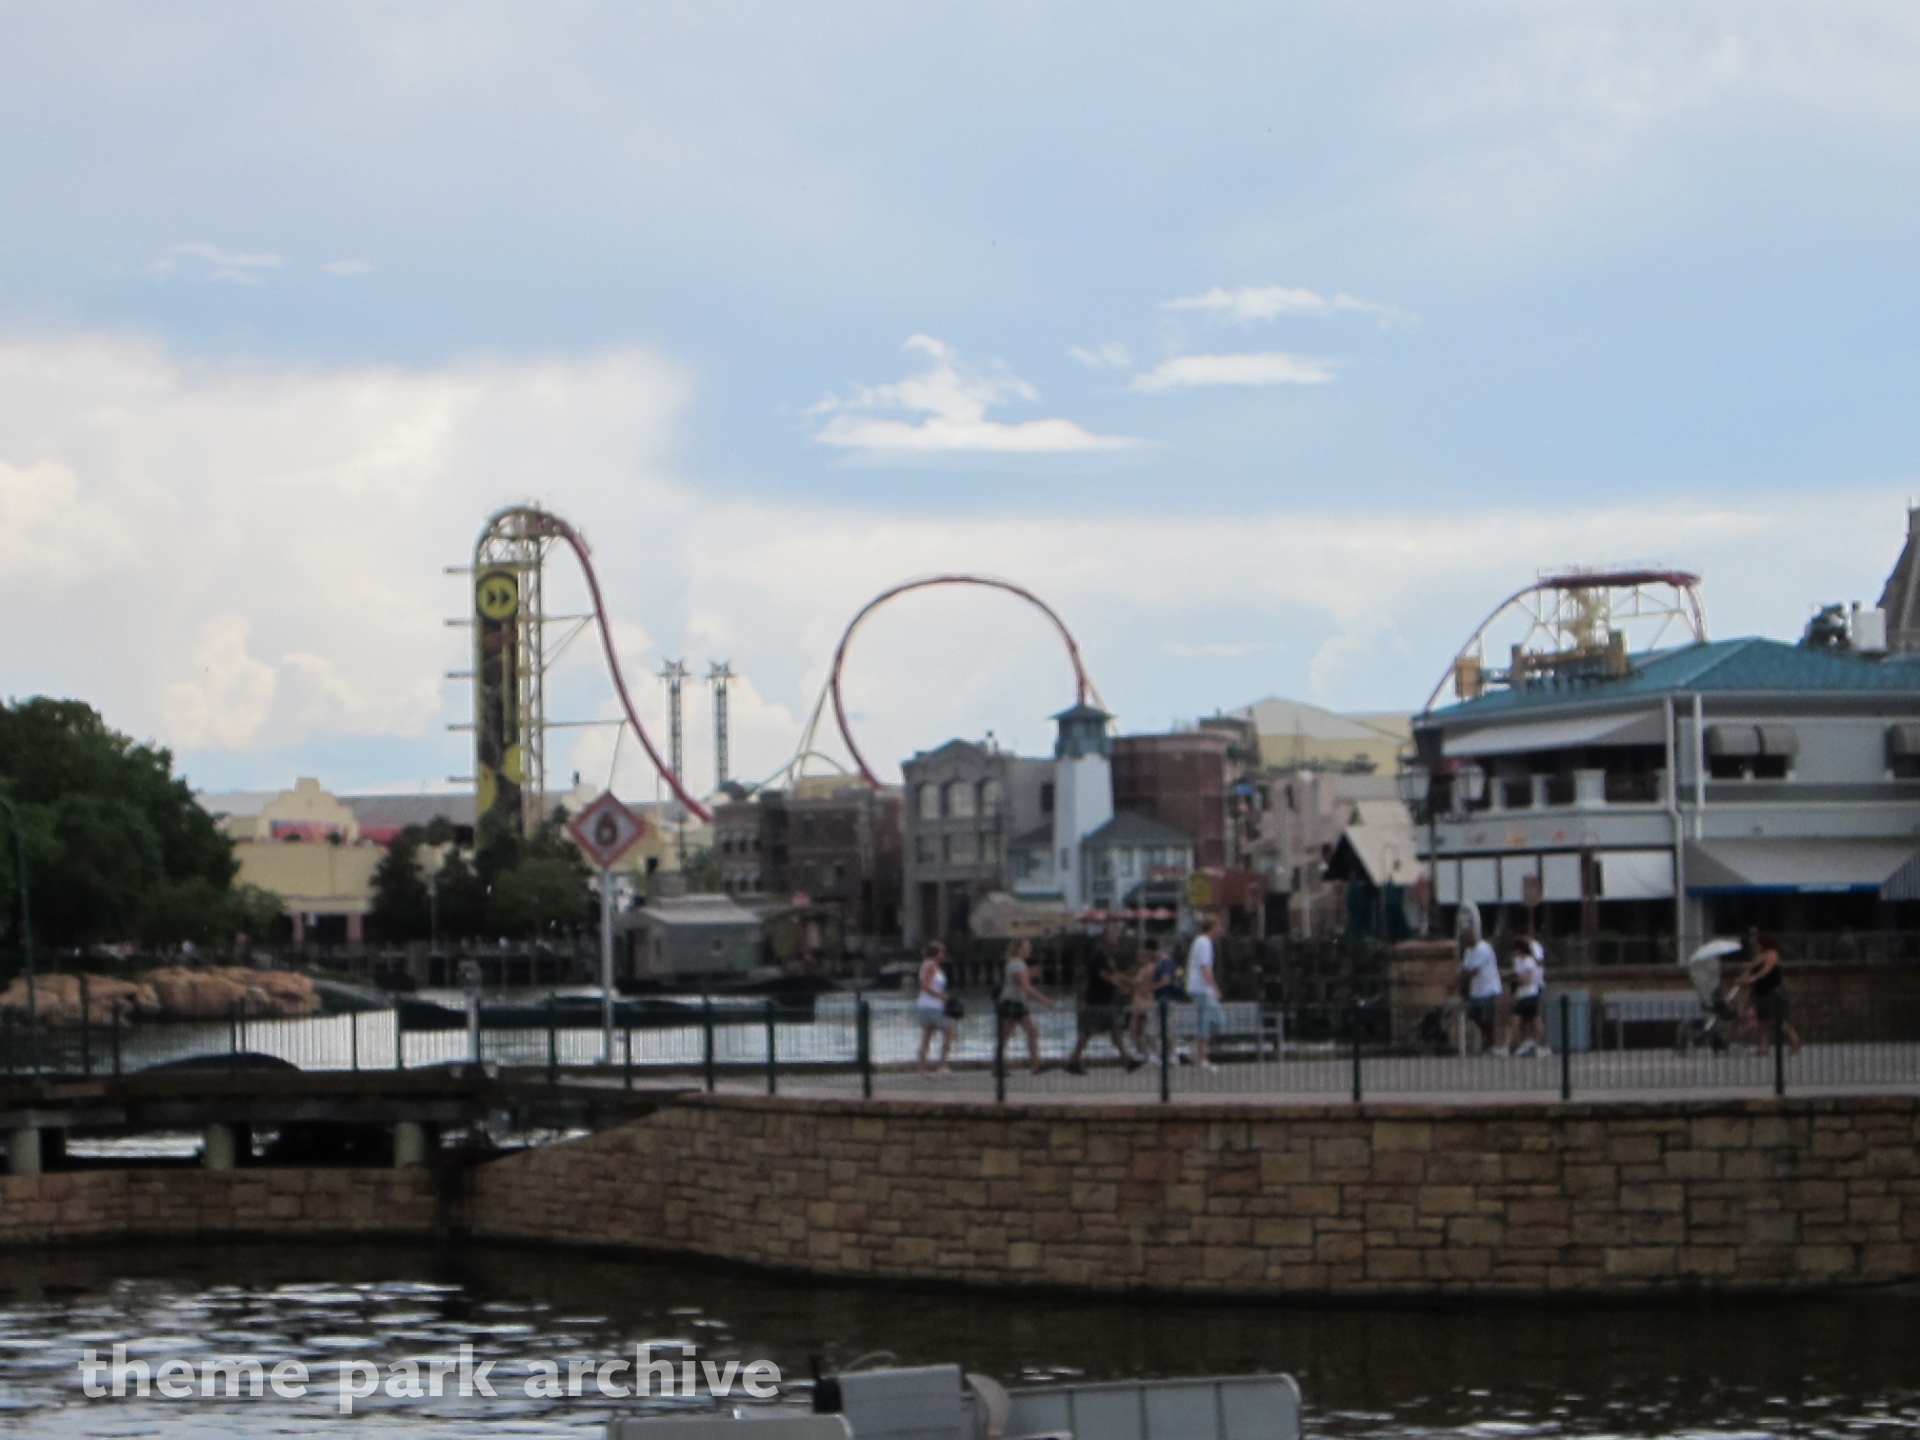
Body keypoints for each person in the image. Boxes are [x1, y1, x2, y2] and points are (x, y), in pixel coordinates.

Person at [1066, 935, 1142, 1074]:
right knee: (1087, 1032)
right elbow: (1104, 975)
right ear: (1105, 942)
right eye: (1113, 941)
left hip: (1104, 1001)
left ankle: (1126, 1060)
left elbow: (1112, 974)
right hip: (1097, 1002)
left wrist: (1129, 981)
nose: (1116, 944)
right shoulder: (1098, 956)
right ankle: (1074, 1060)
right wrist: (1120, 986)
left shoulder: (1106, 958)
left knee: (1114, 1030)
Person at [1735, 930, 1801, 1054]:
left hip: (1772, 992)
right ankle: (1763, 1048)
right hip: (1760, 993)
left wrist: (1751, 979)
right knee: (1763, 1021)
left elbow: (1765, 971)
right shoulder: (1760, 956)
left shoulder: (1772, 955)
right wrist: (1742, 978)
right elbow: (1751, 969)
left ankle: (1795, 1040)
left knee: (1778, 1020)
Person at [997, 938, 1055, 1074]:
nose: (1029, 950)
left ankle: (1033, 1064)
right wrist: (1045, 1000)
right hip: (1013, 1004)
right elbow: (1026, 986)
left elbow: (1021, 986)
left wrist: (1029, 975)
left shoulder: (1013, 963)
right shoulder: (1018, 965)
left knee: (1012, 1034)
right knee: (1026, 1032)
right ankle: (1034, 1065)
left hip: (1012, 1002)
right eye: (1026, 947)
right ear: (1019, 949)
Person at [1187, 915, 1226, 1070]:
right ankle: (1201, 1057)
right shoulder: (1204, 943)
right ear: (1213, 927)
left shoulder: (1200, 942)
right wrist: (1214, 988)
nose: (1220, 930)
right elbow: (1205, 967)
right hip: (1202, 988)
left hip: (1198, 988)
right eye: (1219, 926)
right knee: (1216, 1020)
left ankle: (1198, 1053)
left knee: (1205, 1021)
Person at [1458, 927, 1502, 1054]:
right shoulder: (1468, 951)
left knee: (1486, 1017)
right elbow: (1465, 968)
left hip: (1488, 988)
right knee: (1475, 1016)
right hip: (1476, 990)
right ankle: (1488, 1040)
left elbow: (1473, 971)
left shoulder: (1483, 949)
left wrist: (1457, 980)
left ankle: (1492, 1042)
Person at [915, 940, 956, 1074]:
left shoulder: (928, 965)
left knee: (927, 1035)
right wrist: (941, 995)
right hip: (934, 1006)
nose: (943, 955)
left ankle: (922, 1066)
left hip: (926, 1005)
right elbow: (925, 986)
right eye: (942, 952)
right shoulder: (931, 965)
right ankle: (942, 1064)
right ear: (936, 953)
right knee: (949, 1033)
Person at [1502, 936, 1547, 1057]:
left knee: (1532, 1021)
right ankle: (1510, 1046)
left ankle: (1540, 1045)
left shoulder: (1528, 961)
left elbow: (1526, 979)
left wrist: (1514, 979)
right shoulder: (1519, 962)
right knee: (1520, 1022)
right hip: (1522, 995)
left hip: (1529, 994)